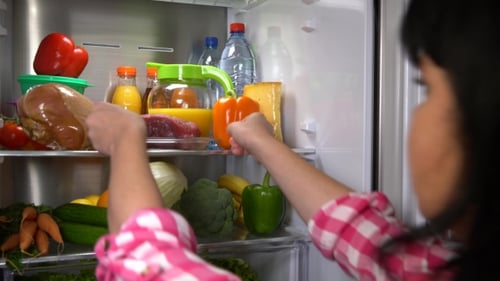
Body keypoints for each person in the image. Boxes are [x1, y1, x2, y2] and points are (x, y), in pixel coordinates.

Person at [85, 0, 500, 280]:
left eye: (425, 88)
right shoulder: (444, 268)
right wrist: (265, 143)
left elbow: (149, 263)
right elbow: (369, 240)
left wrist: (126, 141)